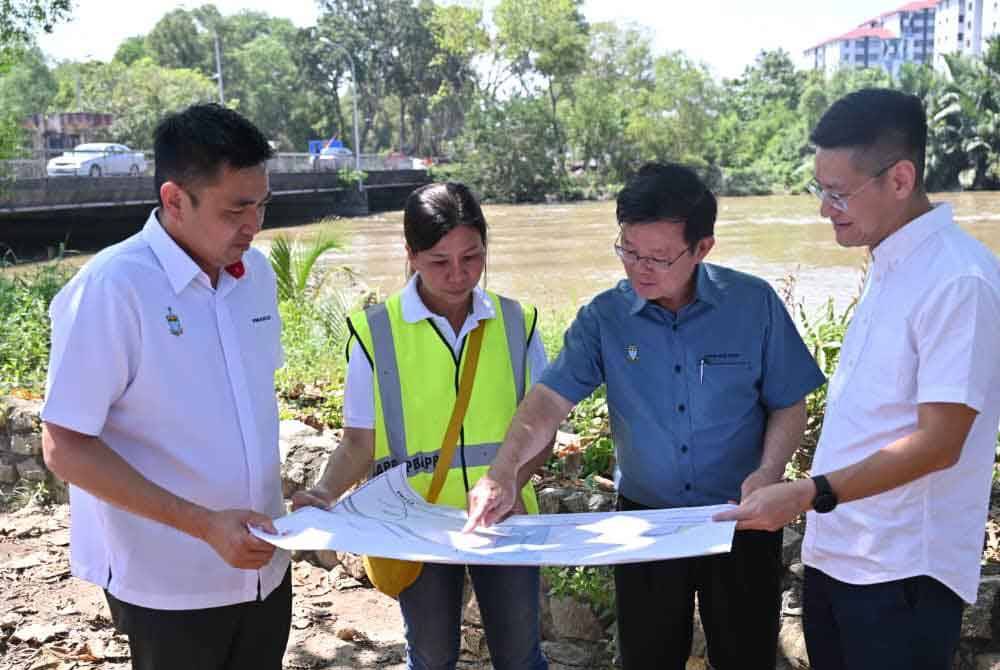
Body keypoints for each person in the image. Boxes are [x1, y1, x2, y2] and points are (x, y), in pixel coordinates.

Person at [465, 162, 826, 670]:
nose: (640, 268)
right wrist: (502, 472)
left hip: (742, 520)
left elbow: (789, 401)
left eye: (659, 256)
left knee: (746, 656)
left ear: (703, 248)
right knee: (646, 658)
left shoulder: (753, 305)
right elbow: (547, 403)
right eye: (629, 251)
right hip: (645, 524)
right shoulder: (604, 318)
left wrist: (768, 474)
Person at [714, 88, 1000, 669]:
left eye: (839, 193)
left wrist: (808, 493)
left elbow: (940, 442)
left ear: (900, 178)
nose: (825, 208)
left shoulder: (958, 280)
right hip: (841, 554)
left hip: (902, 575)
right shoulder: (891, 262)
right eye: (820, 189)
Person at [41, 103, 289, 670]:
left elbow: (248, 403)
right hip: (169, 586)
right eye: (237, 209)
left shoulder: (256, 276)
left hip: (266, 571)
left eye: (261, 205)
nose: (254, 225)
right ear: (175, 200)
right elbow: (64, 446)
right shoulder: (113, 288)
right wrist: (203, 526)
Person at [292, 182, 550, 670]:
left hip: (507, 519)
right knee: (431, 658)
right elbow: (358, 442)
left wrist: (512, 483)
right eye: (439, 261)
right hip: (415, 523)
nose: (458, 275)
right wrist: (325, 492)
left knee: (520, 656)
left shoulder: (519, 323)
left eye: (471, 257)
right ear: (410, 256)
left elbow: (541, 427)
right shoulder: (375, 332)